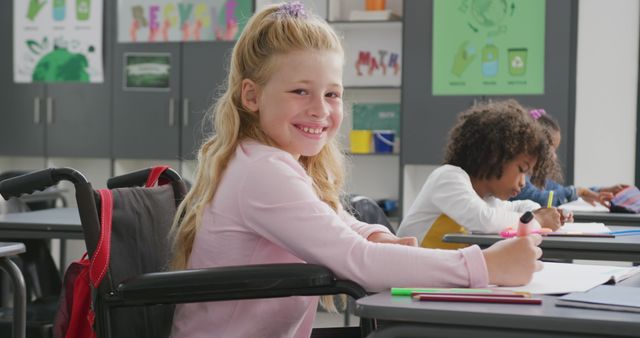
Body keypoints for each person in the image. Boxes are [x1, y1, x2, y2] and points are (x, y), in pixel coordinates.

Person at [169, 4, 542, 337]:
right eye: (300, 91)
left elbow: (339, 224)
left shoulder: (272, 161)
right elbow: (356, 261)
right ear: (252, 96)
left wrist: (377, 236)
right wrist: (485, 265)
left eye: (332, 94)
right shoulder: (263, 171)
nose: (320, 109)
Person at [398, 100, 563, 249]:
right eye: (521, 170)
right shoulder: (448, 178)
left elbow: (518, 207)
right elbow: (484, 220)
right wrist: (538, 221)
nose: (523, 183)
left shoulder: (487, 198)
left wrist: (540, 212)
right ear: (495, 157)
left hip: (441, 274)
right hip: (409, 276)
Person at [510, 108, 628, 207]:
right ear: (537, 147)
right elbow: (544, 200)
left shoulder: (533, 177)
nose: (555, 157)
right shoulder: (519, 177)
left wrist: (599, 190)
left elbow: (559, 189)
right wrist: (579, 191)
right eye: (552, 150)